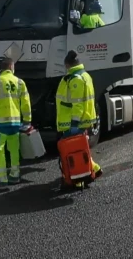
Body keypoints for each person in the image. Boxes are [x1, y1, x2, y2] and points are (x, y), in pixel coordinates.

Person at [0, 57, 32, 191]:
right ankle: (15, 176)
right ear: (11, 68)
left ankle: (1, 180)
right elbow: (26, 103)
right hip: (15, 123)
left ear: (1, 68)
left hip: (0, 124)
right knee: (14, 150)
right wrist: (27, 119)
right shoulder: (20, 82)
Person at [56, 51, 102, 188]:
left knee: (72, 153)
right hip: (84, 119)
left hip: (73, 122)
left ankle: (77, 180)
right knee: (81, 149)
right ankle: (94, 169)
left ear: (67, 64)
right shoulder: (85, 75)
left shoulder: (75, 79)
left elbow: (77, 104)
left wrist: (74, 123)